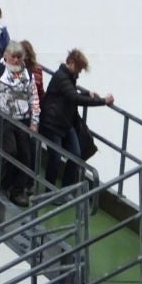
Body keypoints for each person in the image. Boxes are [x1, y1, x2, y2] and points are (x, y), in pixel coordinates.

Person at [0, 41, 40, 206]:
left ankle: (17, 191)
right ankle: (3, 187)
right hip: (2, 117)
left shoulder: (28, 75)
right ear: (6, 56)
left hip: (22, 120)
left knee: (25, 155)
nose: (17, 60)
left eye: (20, 57)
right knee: (9, 151)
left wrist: (34, 122)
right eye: (14, 57)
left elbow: (34, 99)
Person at [39, 49, 115, 188]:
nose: (79, 73)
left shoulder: (67, 77)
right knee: (55, 158)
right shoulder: (62, 77)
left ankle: (65, 189)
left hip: (64, 123)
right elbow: (74, 97)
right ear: (72, 63)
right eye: (79, 69)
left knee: (75, 155)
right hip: (53, 124)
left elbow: (72, 93)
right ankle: (50, 191)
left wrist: (87, 93)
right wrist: (103, 101)